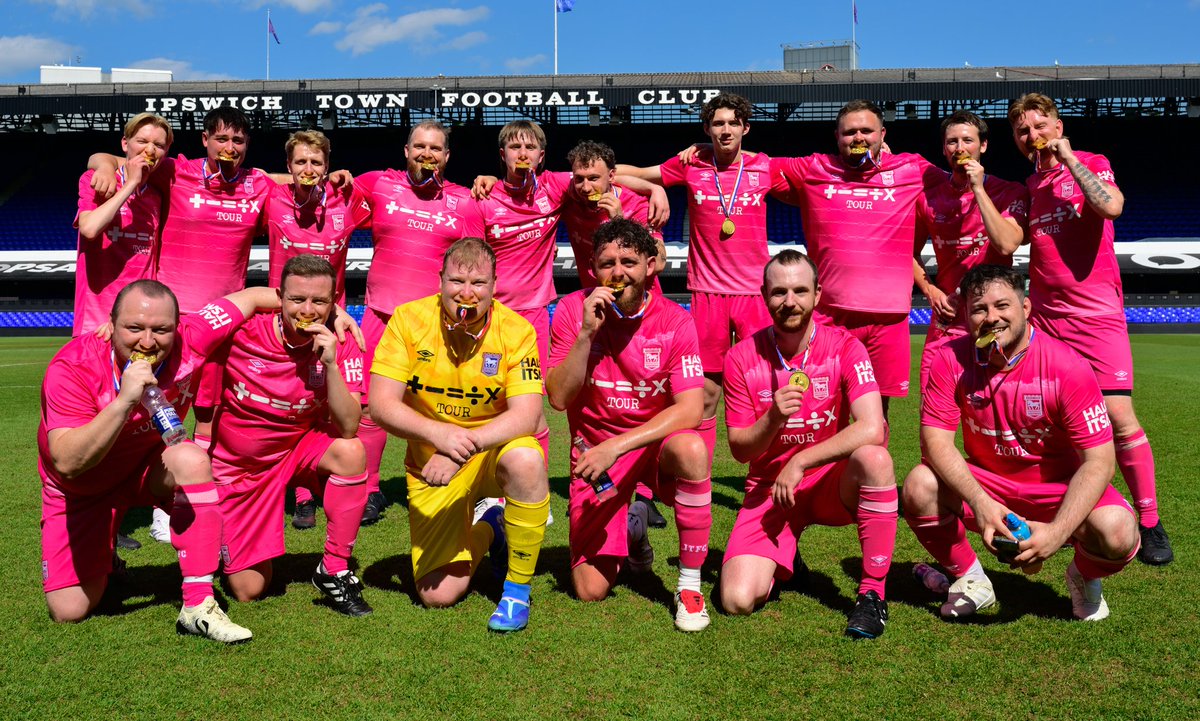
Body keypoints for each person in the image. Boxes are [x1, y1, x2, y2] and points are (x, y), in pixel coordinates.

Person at [38, 279, 279, 642]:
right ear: (111, 324)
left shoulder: (193, 335)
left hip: (148, 469)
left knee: (191, 458)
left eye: (161, 330)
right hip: (81, 487)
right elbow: (69, 462)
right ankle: (106, 556)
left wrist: (332, 312)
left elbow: (254, 297)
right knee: (69, 610)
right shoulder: (72, 367)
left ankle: (198, 605)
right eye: (134, 328)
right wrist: (124, 402)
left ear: (177, 326)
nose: (147, 342)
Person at [903, 264, 1139, 621]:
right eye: (979, 309)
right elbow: (936, 442)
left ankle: (1083, 575)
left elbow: (1100, 462)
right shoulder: (949, 358)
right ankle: (971, 578)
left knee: (1117, 531)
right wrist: (981, 504)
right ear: (966, 316)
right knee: (918, 485)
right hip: (990, 484)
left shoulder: (1068, 366)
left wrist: (1057, 533)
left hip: (1058, 489)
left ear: (1025, 308)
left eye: (1002, 306)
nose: (991, 318)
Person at [88, 107, 277, 542]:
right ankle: (131, 509)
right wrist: (100, 163)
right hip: (170, 322)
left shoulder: (257, 182)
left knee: (213, 415)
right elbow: (116, 157)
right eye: (222, 139)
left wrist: (335, 171)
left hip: (225, 319)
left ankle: (198, 498)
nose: (230, 148)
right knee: (149, 412)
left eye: (239, 141)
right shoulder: (175, 171)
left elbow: (292, 179)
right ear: (205, 140)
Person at [1008, 93, 1172, 566]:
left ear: (1058, 126)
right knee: (1050, 420)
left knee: (1120, 419)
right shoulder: (1028, 188)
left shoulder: (1092, 163)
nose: (1032, 136)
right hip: (1045, 321)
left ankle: (1149, 520)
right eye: (1022, 131)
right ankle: (1067, 508)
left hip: (1097, 318)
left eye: (1040, 125)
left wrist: (1069, 159)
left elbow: (1113, 206)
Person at [368, 237, 551, 632]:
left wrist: (459, 448)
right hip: (430, 463)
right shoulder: (407, 320)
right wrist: (440, 435)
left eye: (479, 284)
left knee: (526, 457)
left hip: (491, 452)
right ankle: (493, 528)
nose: (466, 293)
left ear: (494, 287)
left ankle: (516, 591)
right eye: (456, 281)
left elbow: (528, 416)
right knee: (438, 595)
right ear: (440, 282)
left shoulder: (516, 331)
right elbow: (380, 404)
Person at [720, 250, 896, 639]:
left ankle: (872, 595)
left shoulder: (845, 347)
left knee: (875, 459)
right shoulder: (740, 357)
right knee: (736, 600)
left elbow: (872, 428)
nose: (790, 302)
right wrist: (772, 418)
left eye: (800, 290)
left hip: (828, 482)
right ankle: (785, 558)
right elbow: (740, 449)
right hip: (771, 489)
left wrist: (800, 461)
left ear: (818, 294)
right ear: (763, 295)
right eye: (779, 292)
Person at [546, 219, 712, 631]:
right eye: (607, 263)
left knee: (692, 448)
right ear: (592, 267)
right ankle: (635, 525)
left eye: (628, 261)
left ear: (651, 266)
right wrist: (586, 334)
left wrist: (618, 446)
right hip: (595, 452)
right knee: (589, 589)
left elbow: (691, 409)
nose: (617, 272)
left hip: (653, 447)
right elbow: (558, 397)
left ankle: (689, 585)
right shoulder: (572, 311)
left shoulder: (675, 320)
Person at [208, 255, 371, 616]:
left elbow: (348, 426)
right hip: (242, 468)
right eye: (297, 300)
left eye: (319, 301)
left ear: (334, 302)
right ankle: (221, 531)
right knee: (249, 590)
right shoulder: (243, 331)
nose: (307, 311)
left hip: (298, 447)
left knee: (351, 450)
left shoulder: (340, 341)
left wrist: (330, 364)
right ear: (279, 296)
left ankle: (334, 567)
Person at [617, 92, 773, 465]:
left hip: (755, 295)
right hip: (707, 294)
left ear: (746, 128)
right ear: (707, 128)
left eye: (733, 123)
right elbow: (620, 174)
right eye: (717, 123)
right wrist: (655, 187)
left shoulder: (765, 167)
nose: (725, 130)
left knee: (762, 389)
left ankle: (764, 476)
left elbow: (821, 175)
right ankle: (697, 475)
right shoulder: (690, 165)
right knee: (704, 393)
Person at [769, 99, 945, 416]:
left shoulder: (910, 168)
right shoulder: (814, 167)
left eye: (867, 130)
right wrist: (708, 146)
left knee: (877, 410)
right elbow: (749, 168)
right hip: (829, 314)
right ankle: (823, 467)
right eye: (850, 132)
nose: (859, 137)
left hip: (888, 317)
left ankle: (872, 466)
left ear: (882, 134)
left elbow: (959, 180)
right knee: (821, 406)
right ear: (837, 136)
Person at [350, 120, 485, 526]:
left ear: (447, 157)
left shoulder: (464, 202)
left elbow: (476, 261)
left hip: (435, 322)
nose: (427, 154)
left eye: (436, 149)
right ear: (406, 151)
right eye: (420, 147)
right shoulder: (376, 184)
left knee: (448, 403)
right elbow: (320, 192)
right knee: (370, 408)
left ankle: (464, 482)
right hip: (379, 314)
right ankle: (369, 489)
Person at [263, 130, 372, 530]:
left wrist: (339, 309)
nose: (309, 170)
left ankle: (316, 485)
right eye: (300, 162)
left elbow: (391, 211)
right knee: (284, 403)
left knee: (328, 404)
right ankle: (294, 493)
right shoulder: (271, 196)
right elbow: (250, 177)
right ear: (288, 167)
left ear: (328, 167)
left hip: (329, 320)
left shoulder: (347, 201)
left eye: (317, 163)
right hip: (280, 322)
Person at [913, 110, 1027, 393]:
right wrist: (932, 292)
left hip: (996, 317)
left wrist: (978, 188)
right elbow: (907, 253)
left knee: (996, 404)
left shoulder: (1010, 192)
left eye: (967, 140)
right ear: (944, 148)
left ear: (983, 145)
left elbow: (1007, 244)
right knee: (932, 402)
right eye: (952, 142)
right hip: (949, 316)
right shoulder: (927, 199)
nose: (960, 148)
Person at [73, 113, 172, 338]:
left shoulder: (158, 195)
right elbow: (89, 229)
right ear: (125, 144)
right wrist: (130, 184)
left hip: (142, 320)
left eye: (158, 145)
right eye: (142, 141)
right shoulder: (97, 179)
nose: (150, 150)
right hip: (95, 319)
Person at [560, 140, 665, 291]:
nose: (586, 187)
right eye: (579, 179)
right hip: (598, 300)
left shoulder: (638, 205)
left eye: (593, 178)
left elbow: (659, 264)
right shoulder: (569, 201)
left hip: (640, 300)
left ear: (611, 176)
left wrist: (619, 223)